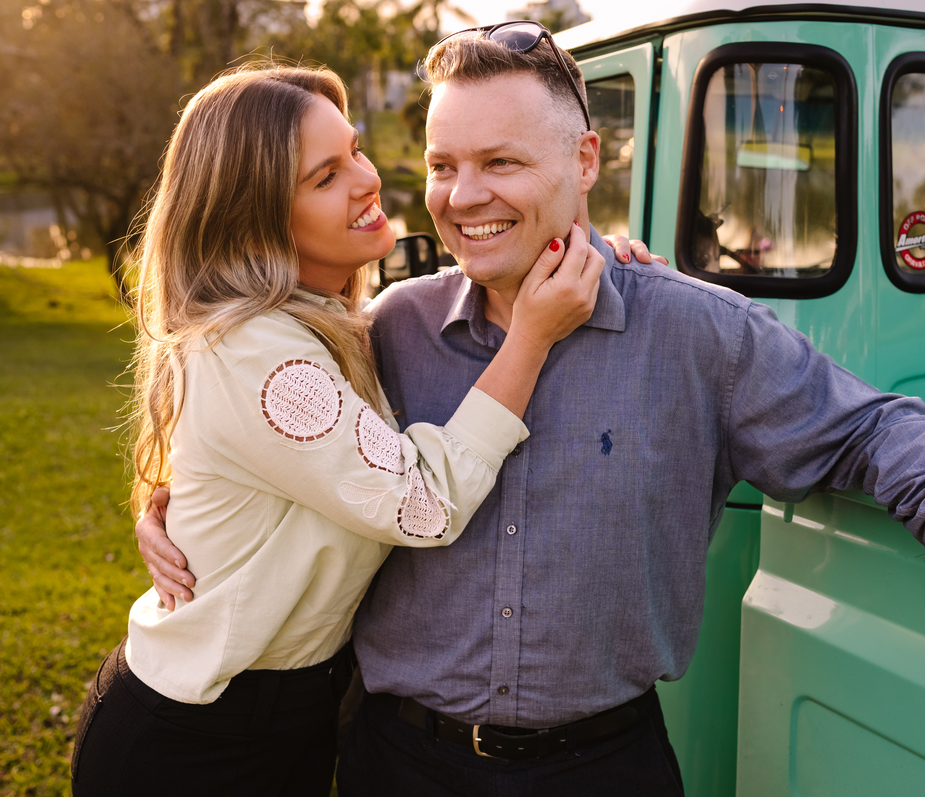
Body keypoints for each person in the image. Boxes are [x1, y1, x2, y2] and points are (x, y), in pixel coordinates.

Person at [139, 24, 925, 797]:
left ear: (584, 161)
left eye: (501, 163)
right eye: (444, 166)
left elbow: (873, 429)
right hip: (392, 759)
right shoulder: (385, 330)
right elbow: (255, 432)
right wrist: (171, 503)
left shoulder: (698, 332)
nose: (462, 197)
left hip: (604, 768)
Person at [70, 62, 623, 797]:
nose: (367, 180)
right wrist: (531, 338)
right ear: (257, 215)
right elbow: (422, 506)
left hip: (289, 718)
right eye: (326, 176)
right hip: (195, 743)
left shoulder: (323, 326)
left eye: (355, 150)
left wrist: (604, 251)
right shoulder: (259, 354)